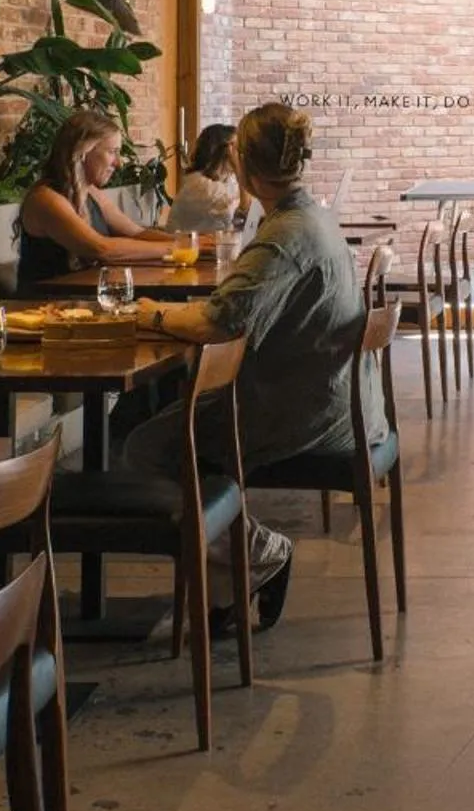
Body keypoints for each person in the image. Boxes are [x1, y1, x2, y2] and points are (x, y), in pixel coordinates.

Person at [128, 104, 367, 632]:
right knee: (179, 430)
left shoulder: (285, 235)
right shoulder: (312, 217)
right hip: (331, 395)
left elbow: (219, 321)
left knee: (148, 446)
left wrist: (152, 314)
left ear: (244, 165)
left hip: (300, 408)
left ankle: (260, 553)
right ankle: (228, 587)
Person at [15, 109, 172, 288]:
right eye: (112, 152)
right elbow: (101, 249)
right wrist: (173, 249)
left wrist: (186, 243)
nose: (118, 163)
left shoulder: (91, 192)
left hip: (84, 298)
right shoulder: (45, 199)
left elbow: (136, 233)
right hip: (44, 303)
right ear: (82, 151)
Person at [165, 123, 249, 234]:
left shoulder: (223, 182)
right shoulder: (200, 185)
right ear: (226, 151)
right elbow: (243, 211)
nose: (241, 153)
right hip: (184, 244)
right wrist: (239, 168)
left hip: (206, 243)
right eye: (237, 148)